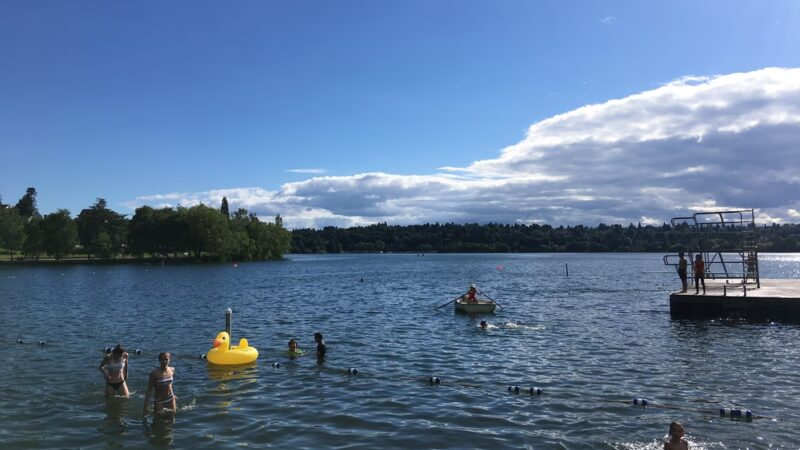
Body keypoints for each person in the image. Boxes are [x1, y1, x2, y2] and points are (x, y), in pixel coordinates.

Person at [143, 352, 176, 419]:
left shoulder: (172, 370)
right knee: (159, 420)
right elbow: (149, 389)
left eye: (166, 359)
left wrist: (174, 394)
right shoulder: (154, 373)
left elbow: (170, 383)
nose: (164, 361)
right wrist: (145, 406)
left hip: (170, 398)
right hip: (159, 401)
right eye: (162, 359)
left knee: (172, 418)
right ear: (159, 360)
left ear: (169, 360)